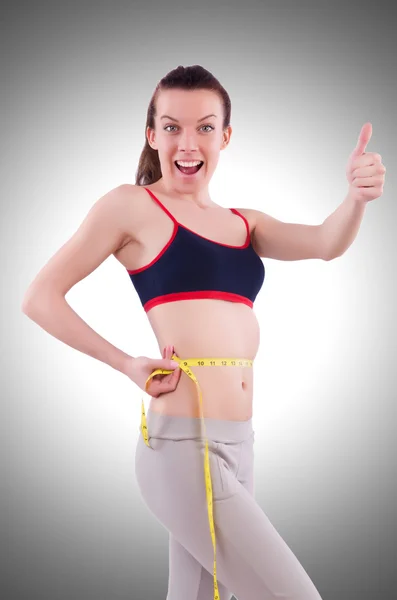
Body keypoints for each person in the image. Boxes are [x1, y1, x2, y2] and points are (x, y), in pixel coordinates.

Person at [21, 65, 325, 600]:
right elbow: (39, 297)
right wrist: (125, 364)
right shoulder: (132, 205)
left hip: (241, 445)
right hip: (184, 450)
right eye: (171, 127)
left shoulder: (242, 222)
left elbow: (326, 242)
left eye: (205, 127)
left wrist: (358, 199)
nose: (188, 142)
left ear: (225, 136)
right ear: (152, 135)